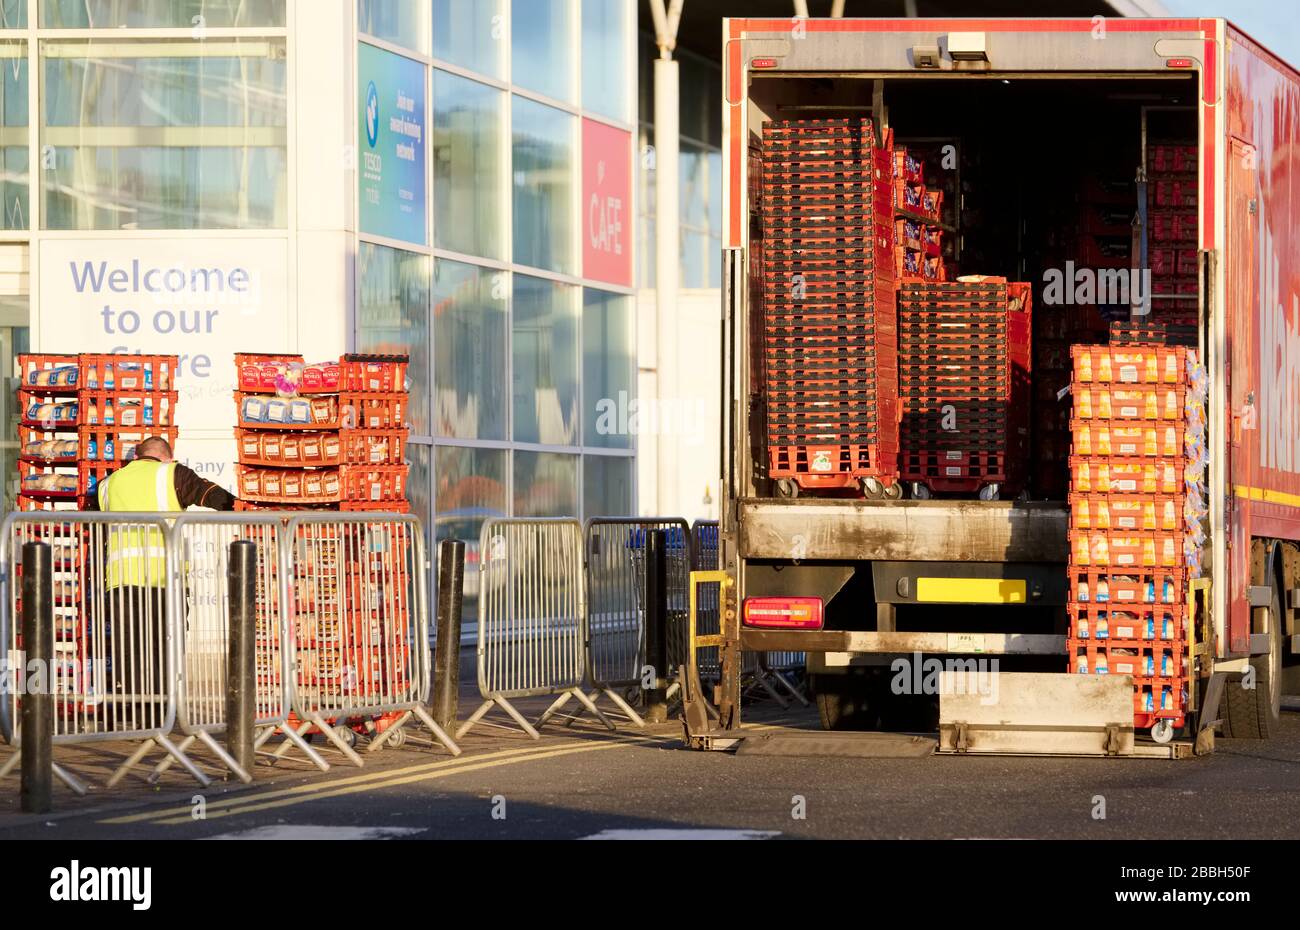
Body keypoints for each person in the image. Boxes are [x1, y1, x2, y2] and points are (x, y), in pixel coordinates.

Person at [88, 437, 236, 728]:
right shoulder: (173, 474)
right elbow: (214, 496)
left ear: (136, 456)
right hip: (165, 580)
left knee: (129, 650)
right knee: (167, 646)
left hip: (121, 581)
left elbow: (93, 523)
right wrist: (247, 510)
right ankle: (164, 715)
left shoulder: (107, 484)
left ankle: (139, 716)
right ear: (167, 456)